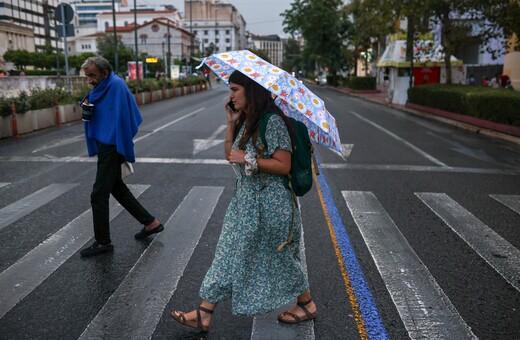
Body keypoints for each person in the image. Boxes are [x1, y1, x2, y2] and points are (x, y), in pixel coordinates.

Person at [170, 70, 317, 332]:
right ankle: (204, 313)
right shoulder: (248, 120)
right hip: (245, 204)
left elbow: (284, 165)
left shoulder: (272, 122)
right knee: (226, 254)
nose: (231, 95)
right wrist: (231, 123)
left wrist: (249, 160)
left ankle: (306, 303)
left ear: (252, 91)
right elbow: (231, 155)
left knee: (279, 258)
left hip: (270, 206)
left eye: (235, 89)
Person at [79, 55, 163, 257]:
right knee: (116, 187)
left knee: (98, 194)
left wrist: (118, 143)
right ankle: (151, 223)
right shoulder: (103, 87)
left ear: (104, 72)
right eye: (87, 76)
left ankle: (103, 242)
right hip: (107, 142)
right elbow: (103, 109)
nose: (89, 79)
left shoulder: (115, 86)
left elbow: (127, 116)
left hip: (111, 144)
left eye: (92, 75)